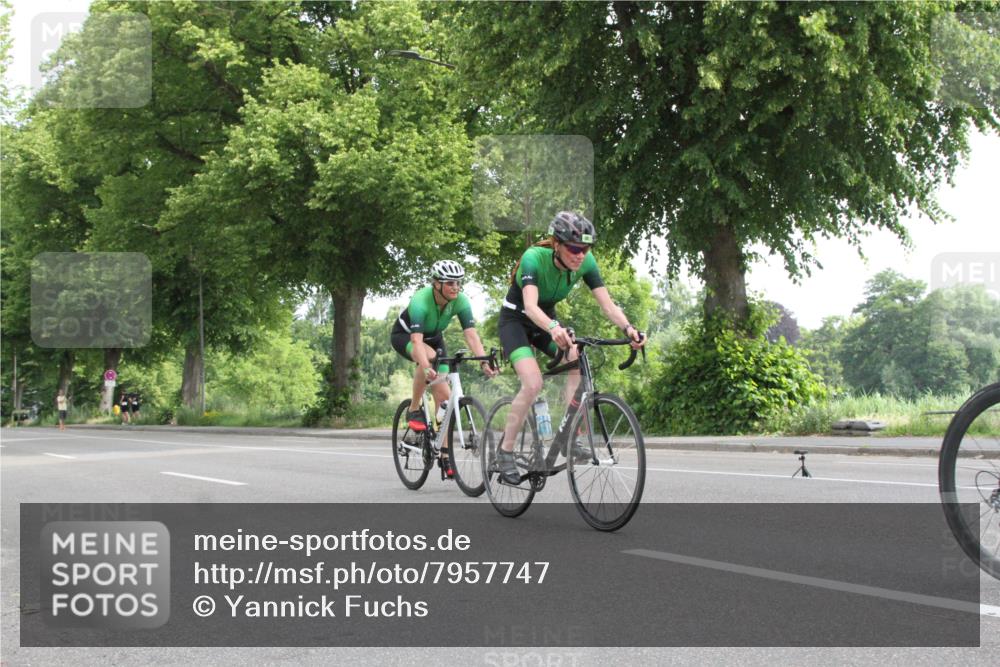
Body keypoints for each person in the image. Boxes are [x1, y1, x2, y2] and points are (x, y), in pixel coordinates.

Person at [495, 211, 645, 484]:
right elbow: (530, 307)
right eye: (574, 248)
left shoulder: (586, 262)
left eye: (585, 249)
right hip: (516, 320)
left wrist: (629, 329)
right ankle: (504, 452)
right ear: (556, 244)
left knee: (574, 355)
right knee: (532, 384)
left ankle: (569, 437)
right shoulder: (533, 258)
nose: (580, 255)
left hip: (546, 322)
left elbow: (608, 305)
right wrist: (553, 328)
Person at [390, 259, 497, 478]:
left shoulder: (460, 300)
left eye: (459, 283)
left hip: (436, 340)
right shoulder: (421, 300)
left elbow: (470, 334)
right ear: (436, 284)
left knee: (446, 399)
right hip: (406, 337)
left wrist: (483, 360)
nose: (455, 288)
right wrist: (427, 366)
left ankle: (444, 454)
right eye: (450, 283)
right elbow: (418, 342)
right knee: (427, 358)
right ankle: (413, 409)